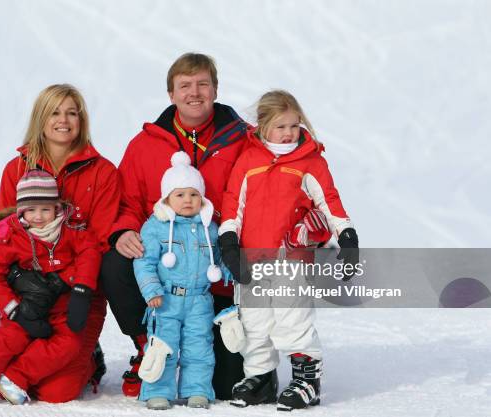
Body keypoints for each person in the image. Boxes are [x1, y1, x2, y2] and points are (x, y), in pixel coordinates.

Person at [100, 53, 249, 399]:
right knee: (116, 260)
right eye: (185, 85)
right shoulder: (146, 145)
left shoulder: (242, 138)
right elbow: (127, 201)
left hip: (216, 271)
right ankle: (147, 345)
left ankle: (247, 347)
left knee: (227, 387)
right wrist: (123, 231)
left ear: (215, 89)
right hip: (166, 280)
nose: (194, 93)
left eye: (202, 84)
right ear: (171, 94)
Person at [219, 89, 359, 411]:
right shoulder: (248, 159)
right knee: (255, 323)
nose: (289, 133)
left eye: (294, 126)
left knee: (291, 319)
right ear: (264, 126)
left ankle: (307, 379)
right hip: (252, 259)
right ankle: (261, 378)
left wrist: (347, 237)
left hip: (291, 259)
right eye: (281, 126)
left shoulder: (309, 160)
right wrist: (228, 241)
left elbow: (329, 200)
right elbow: (233, 205)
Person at [0, 84, 120, 402]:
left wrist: (70, 285)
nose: (64, 120)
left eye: (71, 112)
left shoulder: (103, 172)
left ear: (82, 120)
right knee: (4, 375)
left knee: (56, 392)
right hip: (29, 293)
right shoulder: (17, 169)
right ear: (41, 118)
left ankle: (89, 359)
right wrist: (21, 284)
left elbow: (101, 241)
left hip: (78, 293)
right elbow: (3, 233)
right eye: (55, 112)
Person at [0, 170, 102, 406]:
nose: (38, 217)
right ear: (21, 211)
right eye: (31, 210)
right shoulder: (11, 236)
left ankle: (15, 376)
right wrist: (14, 309)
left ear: (56, 208)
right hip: (25, 308)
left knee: (69, 343)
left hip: (61, 311)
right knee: (8, 338)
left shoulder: (70, 231)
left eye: (45, 209)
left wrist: (80, 288)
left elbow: (89, 253)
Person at [133, 152, 232, 410]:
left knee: (199, 346)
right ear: (167, 198)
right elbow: (144, 261)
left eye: (193, 194)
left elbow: (218, 258)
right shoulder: (155, 227)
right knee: (163, 346)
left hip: (200, 299)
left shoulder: (210, 227)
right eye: (180, 195)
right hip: (166, 299)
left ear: (202, 197)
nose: (187, 200)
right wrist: (151, 289)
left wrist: (230, 269)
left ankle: (196, 390)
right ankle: (157, 391)